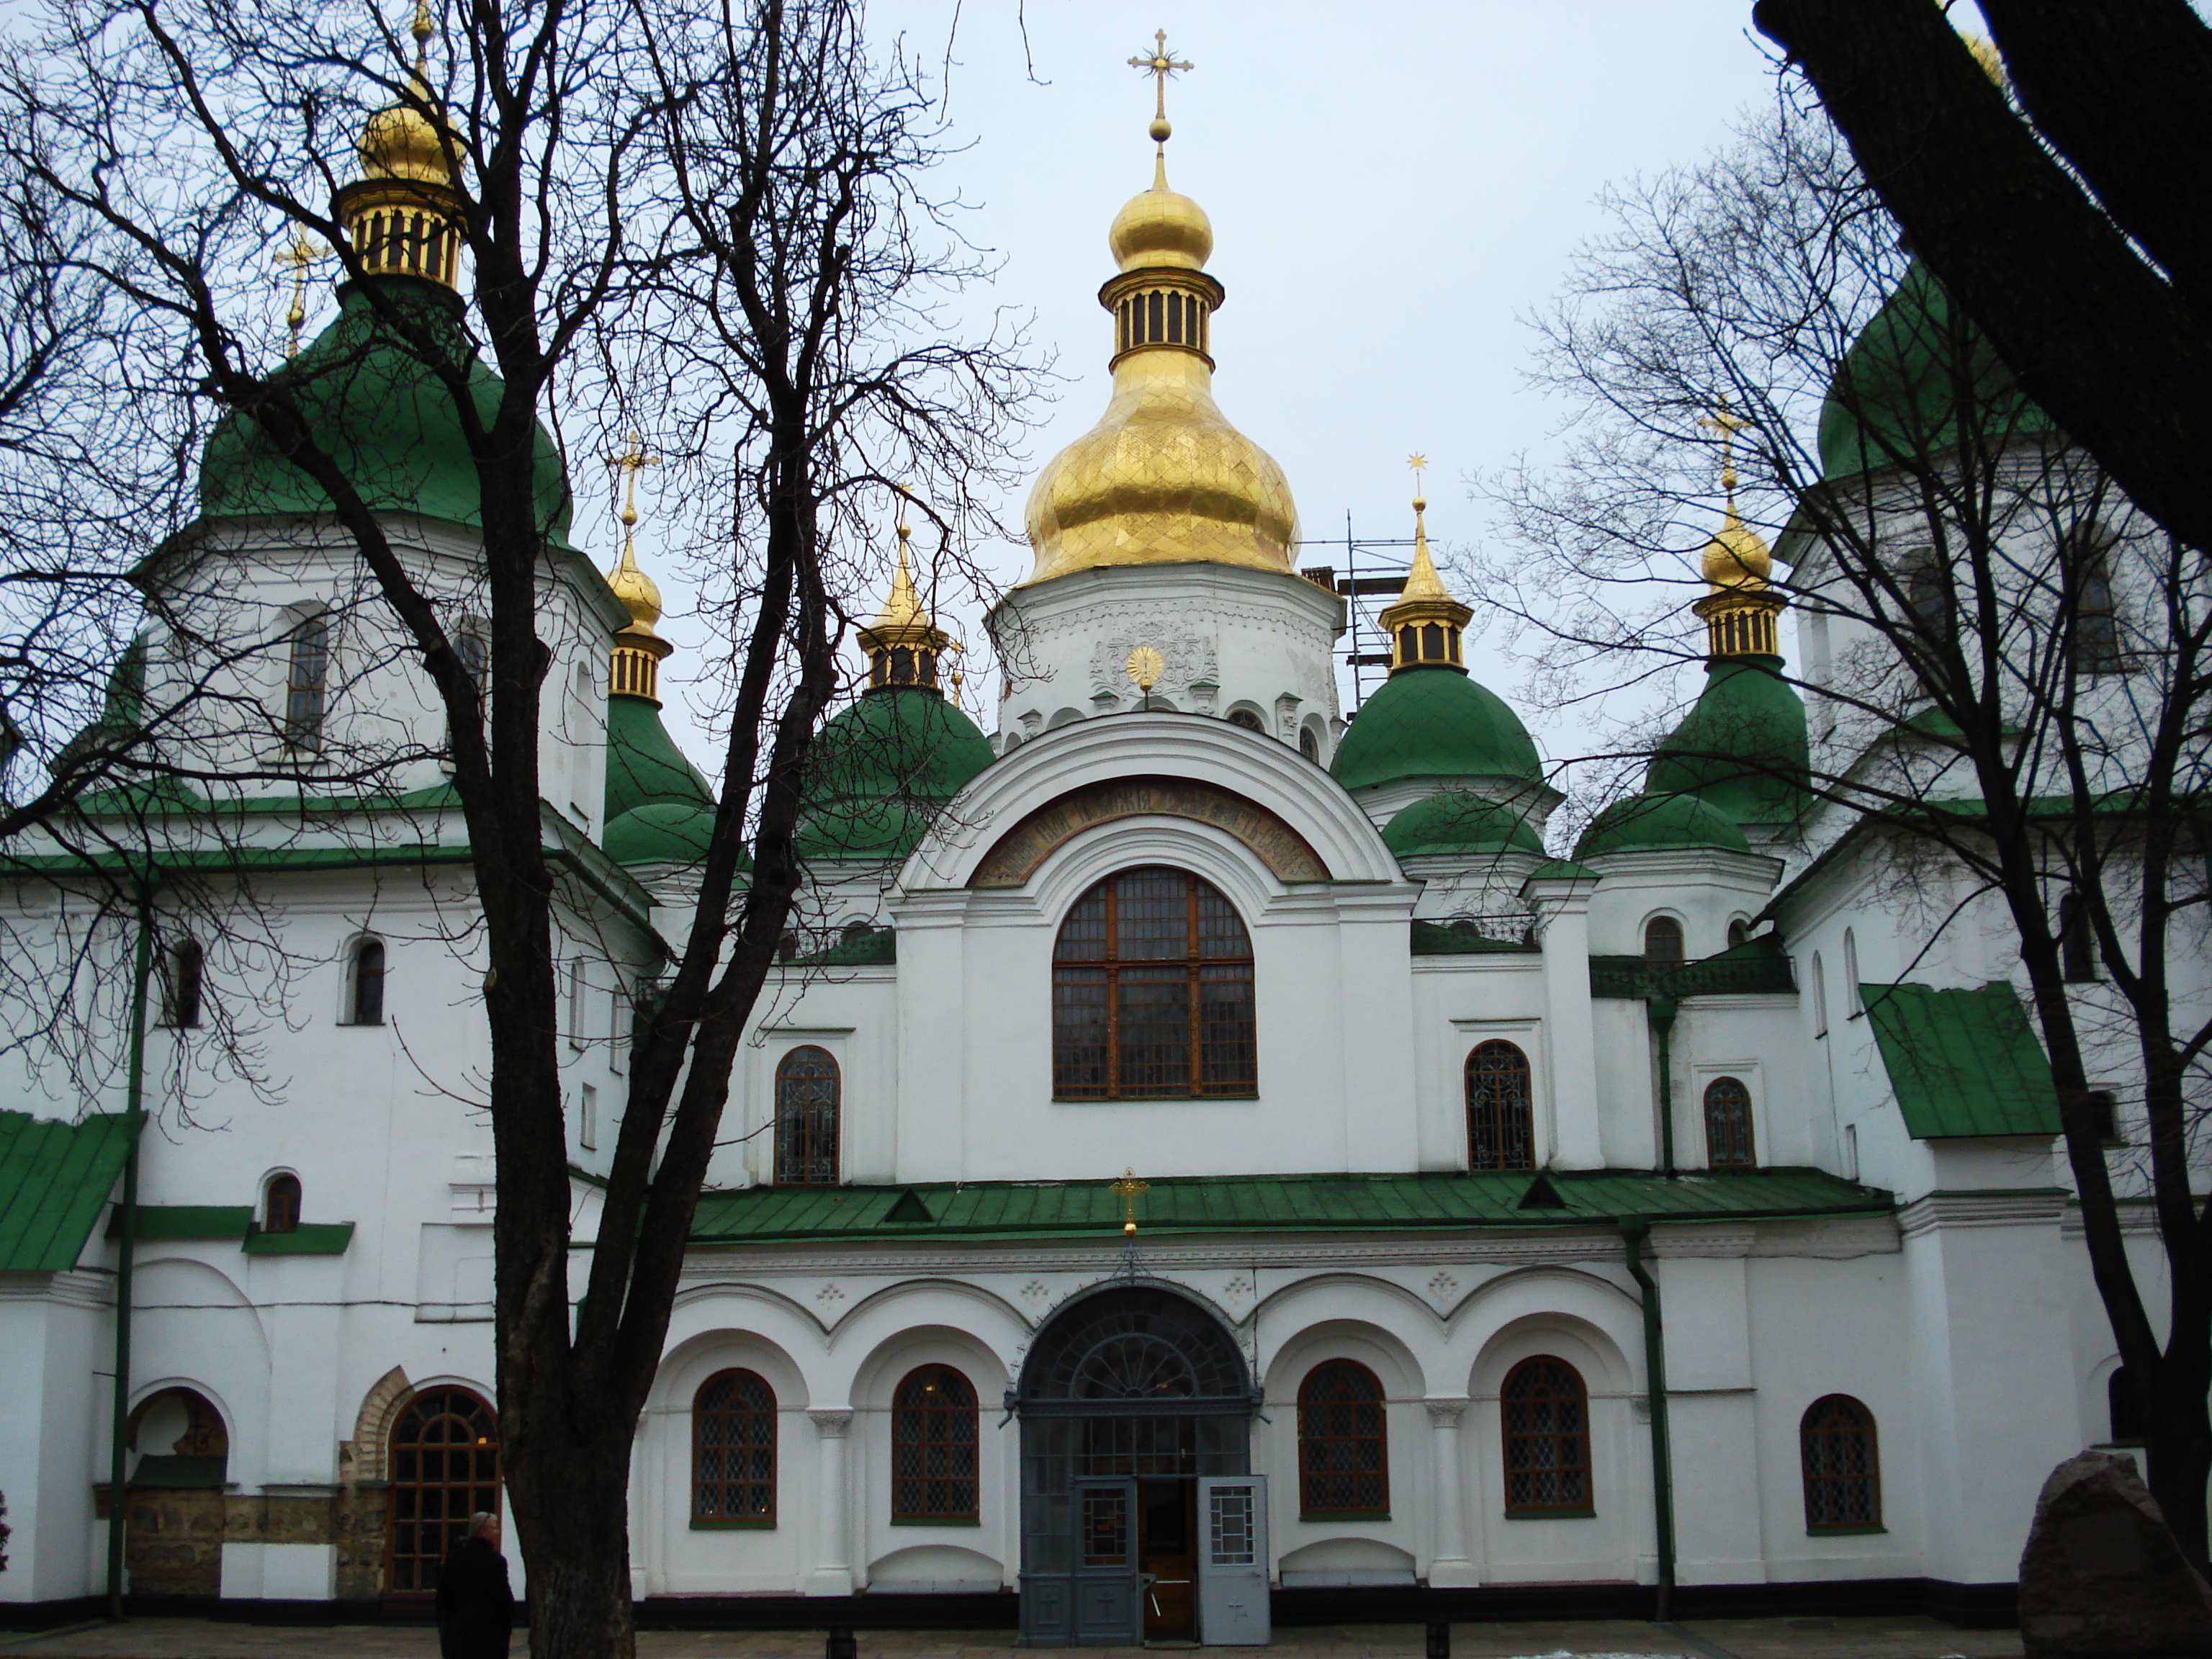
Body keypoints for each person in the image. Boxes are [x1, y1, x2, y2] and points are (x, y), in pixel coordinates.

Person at [435, 1511, 514, 1659]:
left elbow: (443, 1596)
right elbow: (503, 1599)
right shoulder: (495, 1560)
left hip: (460, 1628)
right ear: (483, 1532)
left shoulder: (454, 1558)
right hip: (489, 1631)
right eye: (494, 1528)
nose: (497, 1533)